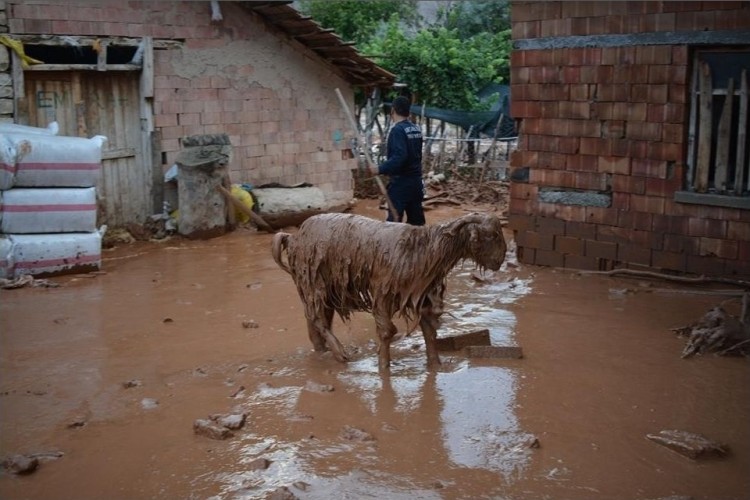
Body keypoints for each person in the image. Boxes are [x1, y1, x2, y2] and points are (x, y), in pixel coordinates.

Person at [376, 95, 426, 226]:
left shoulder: (397, 130)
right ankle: (417, 246)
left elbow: (400, 157)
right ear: (408, 111)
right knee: (417, 222)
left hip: (401, 184)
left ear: (393, 110)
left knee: (394, 224)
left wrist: (380, 169)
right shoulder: (416, 129)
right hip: (416, 183)